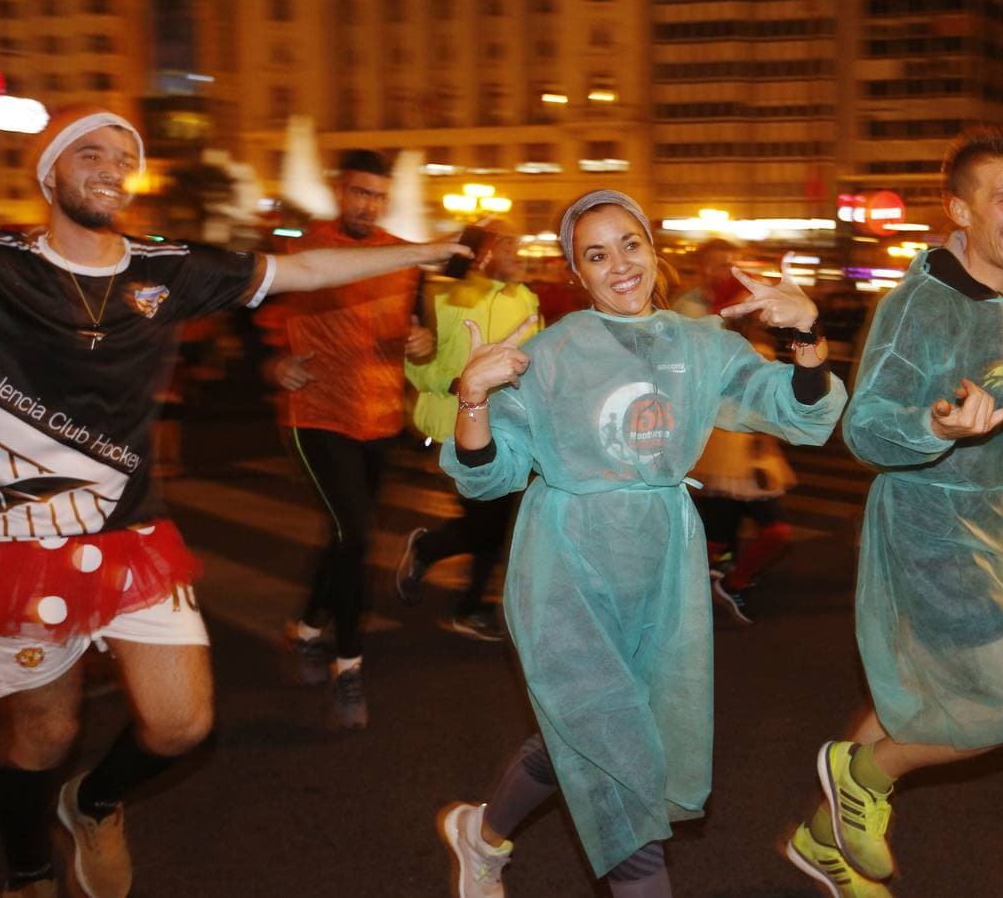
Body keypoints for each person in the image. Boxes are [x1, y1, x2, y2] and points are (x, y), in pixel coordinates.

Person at [0, 107, 469, 898]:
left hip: (131, 535)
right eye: (89, 152)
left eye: (124, 156)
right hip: (17, 544)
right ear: (49, 173)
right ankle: (28, 871)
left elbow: (302, 273)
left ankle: (95, 804)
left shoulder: (165, 266)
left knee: (182, 725)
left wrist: (430, 248)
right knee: (44, 731)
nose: (110, 167)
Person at [436, 190, 845, 897]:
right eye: (596, 254)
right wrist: (471, 398)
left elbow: (797, 411)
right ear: (576, 271)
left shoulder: (702, 345)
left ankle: (482, 833)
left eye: (629, 243)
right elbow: (486, 474)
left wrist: (807, 336)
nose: (618, 264)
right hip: (564, 571)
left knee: (598, 733)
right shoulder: (546, 355)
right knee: (615, 760)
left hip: (662, 571)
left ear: (652, 250)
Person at [781, 124, 1003, 898]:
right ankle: (863, 772)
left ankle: (825, 836)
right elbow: (866, 425)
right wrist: (933, 427)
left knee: (919, 686)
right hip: (928, 521)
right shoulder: (921, 306)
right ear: (960, 212)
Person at [265, 149, 433, 728]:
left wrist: (422, 344)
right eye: (358, 192)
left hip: (380, 419)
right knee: (356, 535)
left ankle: (305, 628)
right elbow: (261, 326)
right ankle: (348, 664)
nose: (367, 203)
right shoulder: (304, 251)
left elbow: (421, 333)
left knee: (345, 536)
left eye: (377, 195)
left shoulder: (404, 259)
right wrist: (277, 366)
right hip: (317, 415)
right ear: (341, 191)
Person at [397, 219, 541, 641]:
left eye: (519, 243)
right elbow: (417, 369)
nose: (518, 253)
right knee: (489, 523)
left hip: (511, 431)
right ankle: (452, 582)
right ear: (482, 253)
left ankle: (466, 597)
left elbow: (539, 359)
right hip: (454, 429)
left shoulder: (526, 298)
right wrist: (463, 382)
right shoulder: (444, 297)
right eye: (508, 244)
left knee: (493, 523)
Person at [674, 239, 799, 624]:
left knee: (755, 532)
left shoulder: (757, 346)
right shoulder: (691, 312)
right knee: (716, 536)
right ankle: (697, 594)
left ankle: (726, 582)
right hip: (718, 445)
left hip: (749, 450)